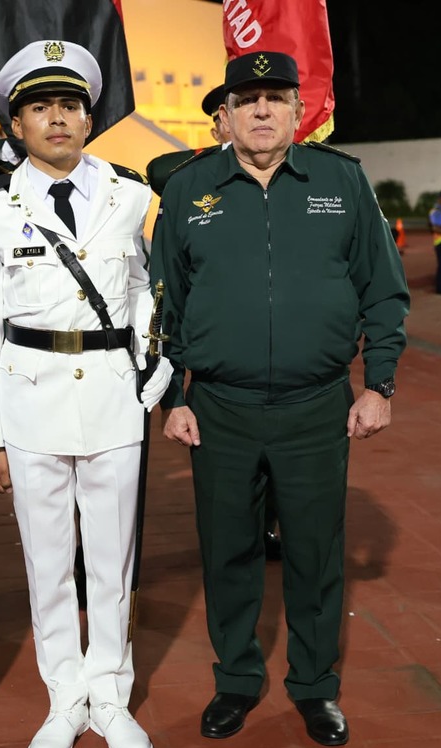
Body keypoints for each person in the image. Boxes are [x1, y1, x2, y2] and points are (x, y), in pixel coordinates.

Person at [150, 51, 409, 747]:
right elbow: (163, 301)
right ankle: (236, 680)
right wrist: (173, 397)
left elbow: (383, 290)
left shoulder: (341, 181)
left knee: (315, 554)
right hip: (219, 409)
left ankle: (314, 686)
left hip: (315, 407)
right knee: (227, 551)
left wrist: (378, 383)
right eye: (247, 100)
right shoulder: (188, 188)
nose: (261, 110)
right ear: (225, 115)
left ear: (299, 112)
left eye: (275, 98)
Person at [0, 40, 172, 748]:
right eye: (40, 107)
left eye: (70, 106)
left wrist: (155, 365)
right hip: (29, 408)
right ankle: (64, 698)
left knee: (113, 564)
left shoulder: (129, 196)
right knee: (47, 566)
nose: (56, 118)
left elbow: (145, 291)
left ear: (88, 119)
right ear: (15, 124)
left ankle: (110, 697)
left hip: (113, 401)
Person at [147, 86, 284, 562]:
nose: (253, 115)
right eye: (235, 111)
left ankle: (269, 526)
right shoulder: (194, 177)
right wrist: (229, 151)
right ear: (218, 123)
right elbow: (157, 169)